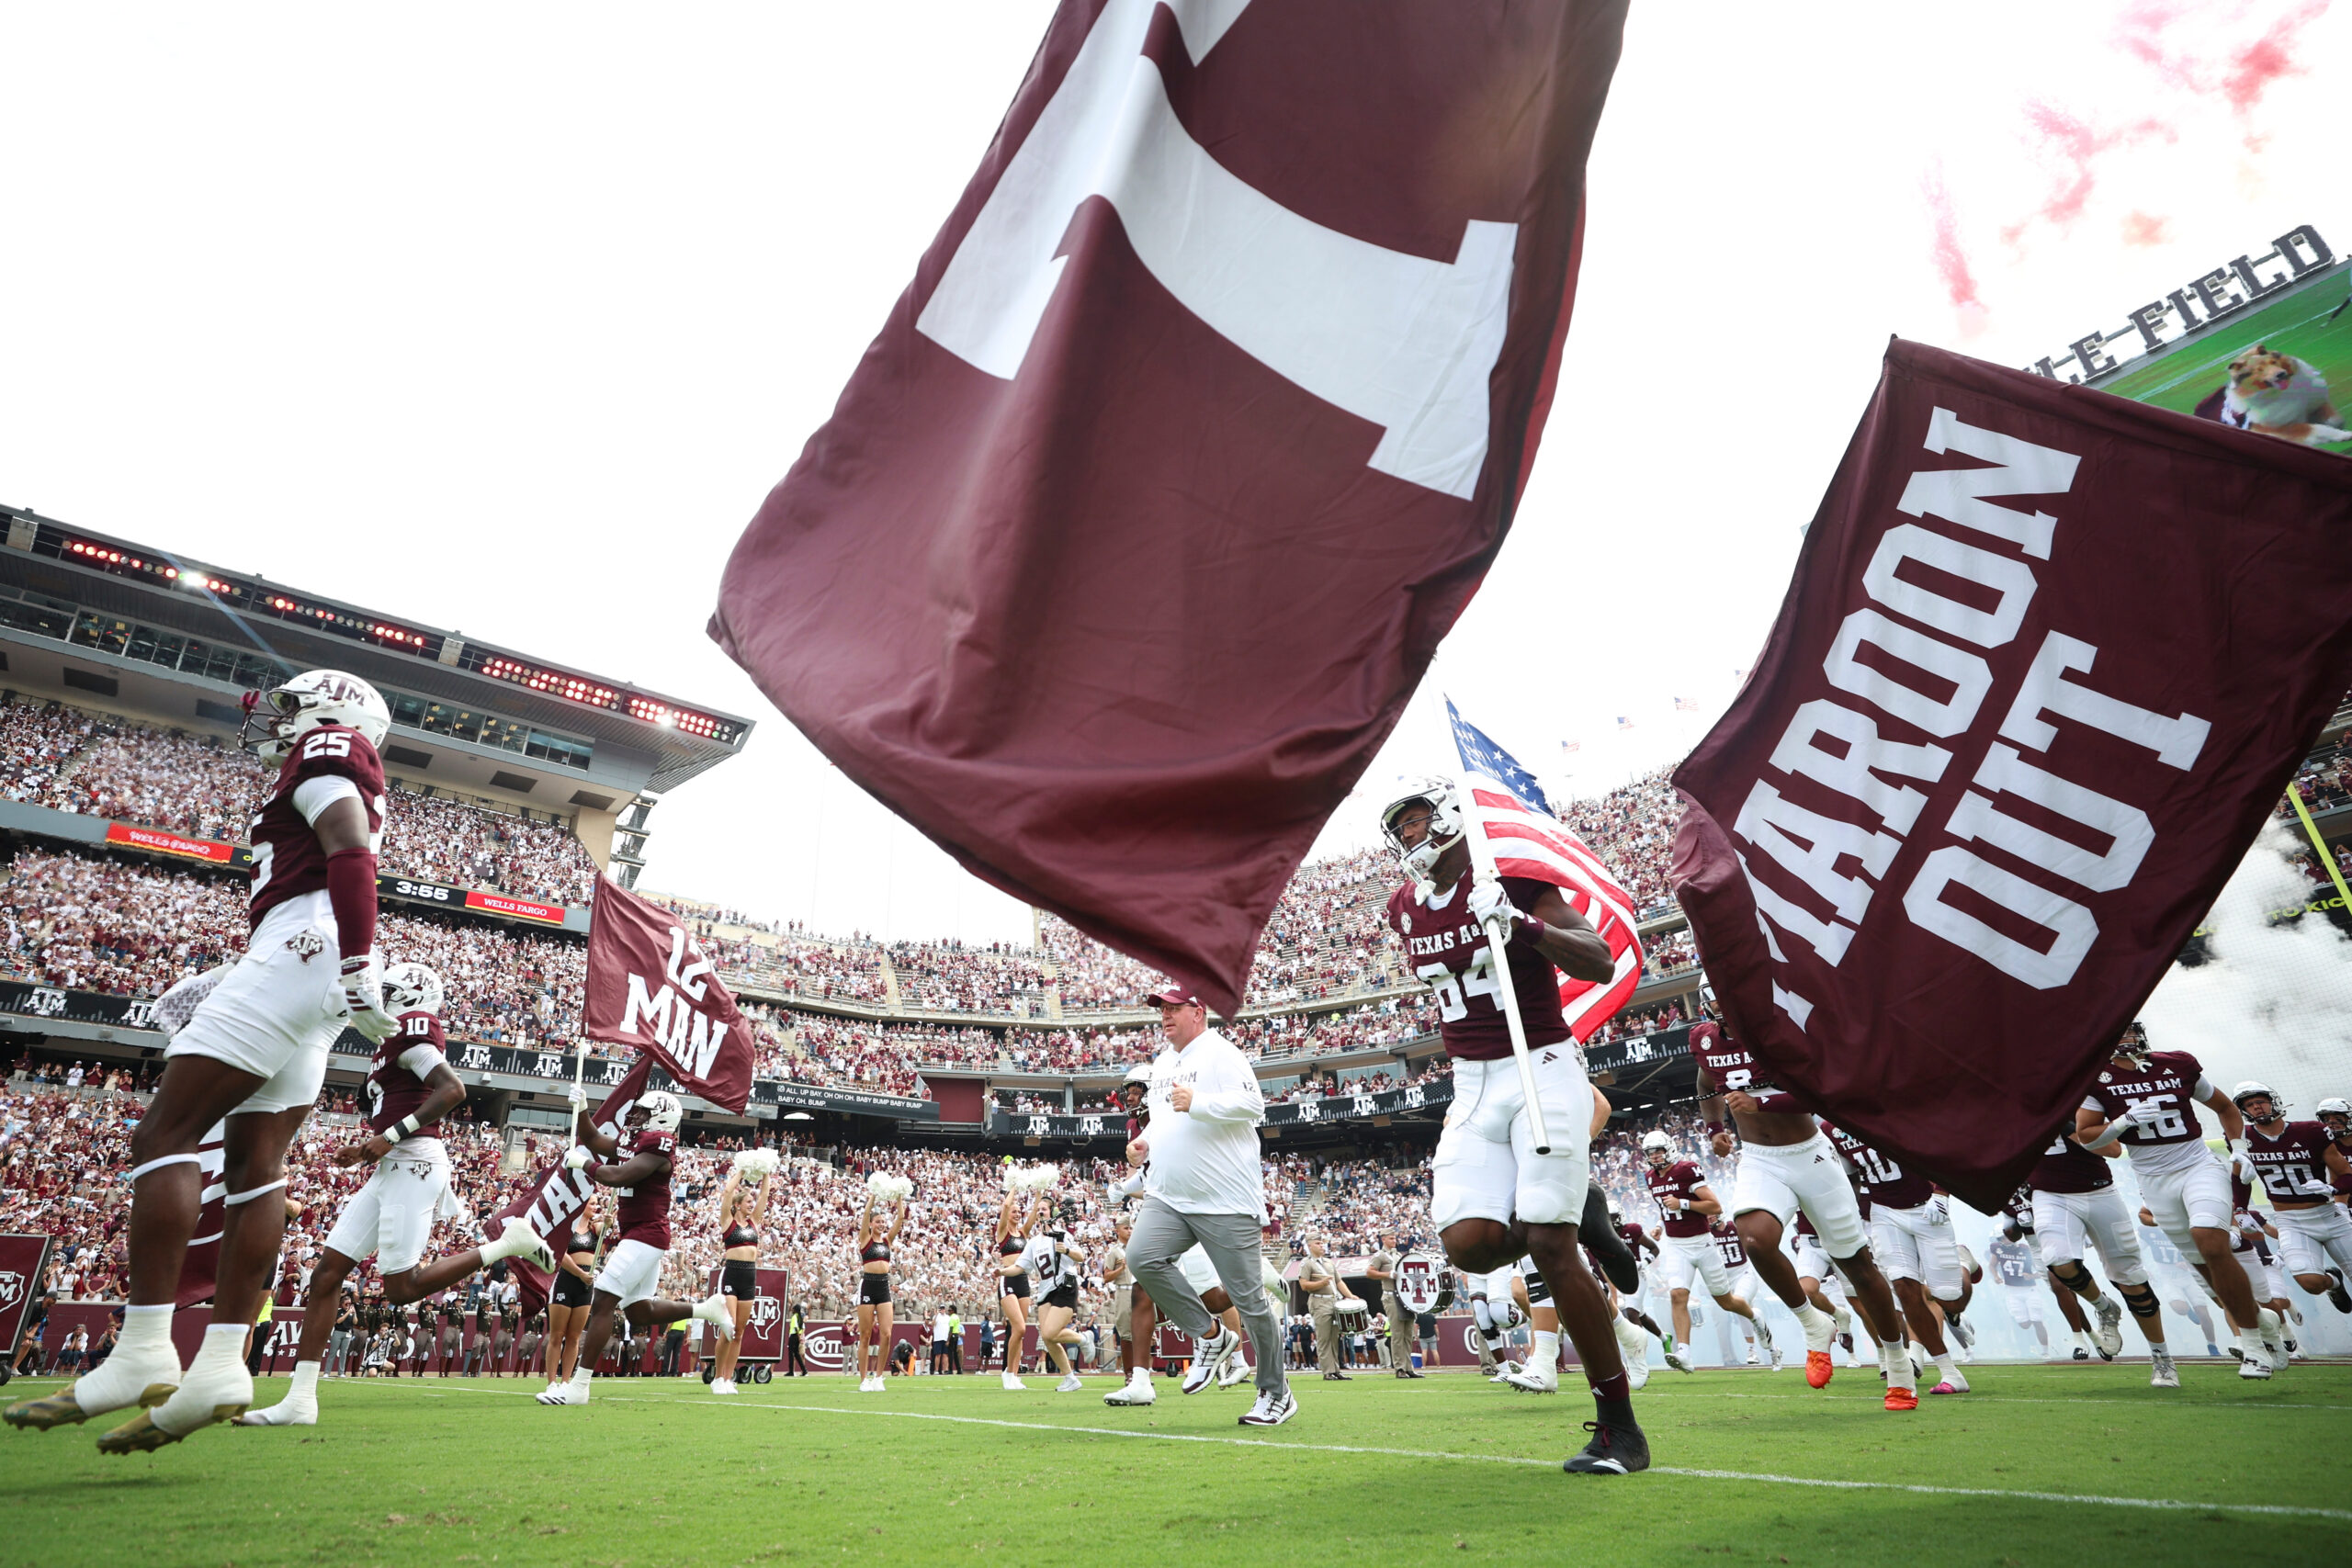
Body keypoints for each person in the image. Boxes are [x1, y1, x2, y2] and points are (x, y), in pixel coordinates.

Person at [8, 671, 407, 1451]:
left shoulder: (329, 745)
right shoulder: (333, 757)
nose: (278, 721)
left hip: (307, 943)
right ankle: (222, 1362)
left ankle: (143, 1348)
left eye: (290, 707)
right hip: (312, 953)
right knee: (258, 1165)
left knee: (165, 1133)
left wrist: (356, 958)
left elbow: (350, 847)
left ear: (329, 710)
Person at [1377, 780, 1643, 1472]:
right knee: (1468, 1245)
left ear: (1451, 817)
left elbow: (1598, 959)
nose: (1408, 835)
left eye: (1416, 820)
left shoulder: (1512, 879)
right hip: (1472, 1079)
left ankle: (1619, 1427)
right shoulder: (1403, 907)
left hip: (1541, 1064)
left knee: (1550, 1246)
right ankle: (1587, 1214)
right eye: (1399, 827)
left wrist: (1523, 924)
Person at [241, 962, 553, 1427]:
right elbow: (395, 1108)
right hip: (392, 1166)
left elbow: (452, 1090)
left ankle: (507, 1245)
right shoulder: (389, 1044)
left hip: (416, 1161)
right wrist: (368, 1147)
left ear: (412, 994)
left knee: (401, 1289)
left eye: (389, 990)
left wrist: (388, 1137)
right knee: (326, 1274)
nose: (380, 998)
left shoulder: (415, 1030)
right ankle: (300, 1399)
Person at [1691, 995, 1914, 1408]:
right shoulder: (1705, 1040)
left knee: (1858, 1266)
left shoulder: (1780, 1030)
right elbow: (1706, 1082)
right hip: (1759, 1157)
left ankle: (1898, 1360)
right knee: (1754, 1239)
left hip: (1811, 1155)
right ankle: (1813, 1323)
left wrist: (1760, 1102)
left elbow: (1822, 1093)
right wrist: (1714, 1128)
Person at [1120, 987, 1295, 1427]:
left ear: (1198, 1012)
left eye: (1173, 1008)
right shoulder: (1163, 1062)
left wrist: (1199, 1102)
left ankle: (1276, 1393)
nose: (1165, 1016)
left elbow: (1253, 1105)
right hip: (1169, 1195)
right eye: (1161, 1009)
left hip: (1223, 1198)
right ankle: (1211, 1335)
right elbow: (1164, 1119)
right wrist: (1144, 1143)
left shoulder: (1222, 1053)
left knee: (1249, 1301)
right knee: (1142, 1257)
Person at [2075, 1022, 2284, 1378]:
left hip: (2197, 1165)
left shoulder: (2177, 1063)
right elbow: (2088, 1137)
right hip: (2153, 1179)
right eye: (2119, 1033)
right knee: (2202, 1265)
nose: (2127, 1039)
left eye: (2131, 1031)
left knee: (2210, 1239)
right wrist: (2123, 1122)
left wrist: (2240, 1148)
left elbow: (2226, 1108)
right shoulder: (2096, 1079)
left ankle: (2253, 1346)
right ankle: (2262, 1320)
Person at [537, 1088, 734, 1406]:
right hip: (639, 1234)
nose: (634, 1116)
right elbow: (593, 1138)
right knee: (639, 1310)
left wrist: (584, 1165)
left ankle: (579, 1386)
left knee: (603, 1300)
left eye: (643, 1111)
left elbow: (619, 1176)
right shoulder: (636, 1140)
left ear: (661, 1117)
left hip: (646, 1234)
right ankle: (707, 1309)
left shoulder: (659, 1144)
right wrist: (584, 1106)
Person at [1818, 1122, 1967, 1396]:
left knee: (1949, 1298)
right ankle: (1950, 1372)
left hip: (1926, 1207)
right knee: (1903, 1288)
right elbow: (1848, 1178)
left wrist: (1941, 1192)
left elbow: (1944, 1146)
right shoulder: (1830, 1129)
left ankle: (1966, 1263)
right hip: (1884, 1213)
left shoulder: (1890, 1108)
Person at [2023, 1127, 2165, 1378]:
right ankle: (2105, 1307)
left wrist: (2065, 1123)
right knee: (2058, 1260)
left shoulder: (2078, 1107)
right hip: (2049, 1194)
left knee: (2131, 1277)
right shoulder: (2013, 1111)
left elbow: (2113, 1149)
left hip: (2099, 1191)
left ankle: (2162, 1357)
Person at [1639, 1130, 1773, 1370]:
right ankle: (1684, 1353)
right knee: (1677, 1295)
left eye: (1658, 1151)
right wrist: (1660, 1225)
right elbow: (1665, 1207)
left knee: (1727, 1302)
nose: (1655, 1156)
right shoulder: (1650, 1177)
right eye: (1650, 1153)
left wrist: (1683, 1203)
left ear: (1669, 1149)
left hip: (1702, 1243)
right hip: (1677, 1245)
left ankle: (1755, 1317)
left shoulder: (1686, 1169)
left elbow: (1714, 1205)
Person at [2234, 1082, 2352, 1314]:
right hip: (2291, 1221)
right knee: (2311, 1283)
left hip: (2328, 1214)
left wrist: (2332, 1189)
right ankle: (2334, 1282)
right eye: (2249, 1104)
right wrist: (2240, 1209)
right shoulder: (2242, 1138)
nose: (2256, 1107)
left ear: (2273, 1101)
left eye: (2260, 1101)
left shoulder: (2311, 1131)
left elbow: (2346, 1174)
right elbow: (2239, 1177)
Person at [709, 1163, 771, 1395]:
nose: (751, 1205)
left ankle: (728, 1378)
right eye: (747, 1202)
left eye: (752, 1202)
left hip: (749, 1276)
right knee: (729, 1326)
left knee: (740, 1331)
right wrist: (743, 1172)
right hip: (732, 1275)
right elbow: (727, 1192)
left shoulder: (754, 1222)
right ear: (737, 1205)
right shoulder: (728, 1222)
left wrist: (765, 1170)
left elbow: (765, 1194)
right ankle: (717, 1377)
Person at [1021, 1201, 1089, 1393]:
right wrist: (1002, 1272)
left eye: (1044, 1209)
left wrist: (1066, 1250)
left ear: (1052, 1212)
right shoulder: (1034, 1242)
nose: (1040, 1212)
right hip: (1045, 1290)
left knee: (1050, 1333)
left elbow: (1080, 1256)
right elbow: (1020, 1266)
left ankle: (1083, 1339)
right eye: (1038, 1210)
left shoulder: (1062, 1234)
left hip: (1063, 1286)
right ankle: (1070, 1378)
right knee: (1048, 1338)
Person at [854, 1188, 907, 1393]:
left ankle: (878, 1377)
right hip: (868, 1285)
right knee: (866, 1335)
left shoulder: (887, 1241)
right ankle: (863, 1379)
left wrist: (899, 1196)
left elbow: (900, 1218)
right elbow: (866, 1213)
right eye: (878, 1222)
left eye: (883, 1222)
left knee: (886, 1333)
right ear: (871, 1224)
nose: (882, 1224)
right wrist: (874, 1195)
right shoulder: (865, 1239)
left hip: (884, 1286)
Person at [993, 1186, 1037, 1390]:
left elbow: (1034, 1213)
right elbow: (1005, 1205)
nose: (1018, 1214)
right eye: (1014, 1211)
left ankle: (1015, 1374)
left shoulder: (1023, 1232)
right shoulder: (1002, 1233)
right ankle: (1007, 1373)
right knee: (1018, 1328)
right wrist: (1014, 1187)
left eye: (1019, 1211)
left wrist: (1039, 1193)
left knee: (1020, 1333)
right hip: (1007, 1281)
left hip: (1023, 1281)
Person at [1299, 1234, 1356, 1381]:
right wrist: (1321, 1283)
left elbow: (1339, 1282)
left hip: (1334, 1301)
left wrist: (1350, 1296)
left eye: (1322, 1243)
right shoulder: (1307, 1263)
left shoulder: (1329, 1262)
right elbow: (1303, 1284)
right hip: (1319, 1301)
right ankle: (1328, 1371)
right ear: (1310, 1246)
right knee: (1324, 1338)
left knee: (1335, 1338)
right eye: (1318, 1243)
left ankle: (1336, 1369)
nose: (1321, 1245)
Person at [1366, 1230, 1420, 1379]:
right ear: (1383, 1239)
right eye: (1391, 1238)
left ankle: (1408, 1367)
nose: (1394, 1240)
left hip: (1404, 1296)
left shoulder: (1397, 1255)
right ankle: (1399, 1367)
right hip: (1390, 1295)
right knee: (1397, 1333)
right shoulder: (1380, 1256)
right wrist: (1387, 1274)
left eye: (1395, 1238)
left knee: (1408, 1334)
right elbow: (1369, 1272)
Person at [786, 1303, 808, 1377]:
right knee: (797, 1354)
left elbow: (796, 1328)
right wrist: (800, 1337)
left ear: (795, 1310)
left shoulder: (794, 1317)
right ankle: (804, 1370)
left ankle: (791, 1371)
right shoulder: (800, 1317)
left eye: (793, 1309)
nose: (792, 1310)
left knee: (791, 1354)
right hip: (798, 1336)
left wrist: (798, 1337)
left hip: (794, 1336)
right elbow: (802, 1328)